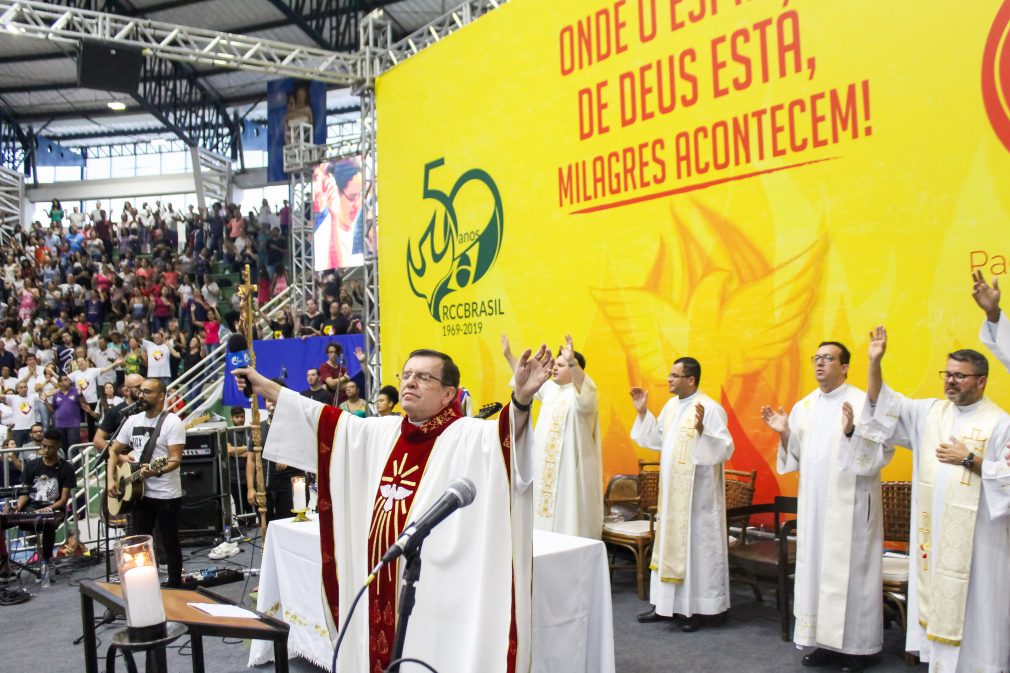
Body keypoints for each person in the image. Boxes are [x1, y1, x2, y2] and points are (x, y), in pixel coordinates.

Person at [232, 344, 550, 673]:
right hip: (381, 580)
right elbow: (324, 422)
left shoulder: (469, 436)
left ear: (448, 394)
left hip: (436, 594)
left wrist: (521, 400)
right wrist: (264, 385)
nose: (410, 382)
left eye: (424, 377)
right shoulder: (381, 432)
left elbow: (507, 439)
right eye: (407, 374)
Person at [859, 326, 1010, 673]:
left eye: (960, 376)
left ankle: (982, 666)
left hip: (981, 541)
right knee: (940, 598)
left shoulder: (1000, 423)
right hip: (936, 535)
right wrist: (874, 362)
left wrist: (969, 459)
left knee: (978, 607)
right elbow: (882, 406)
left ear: (982, 381)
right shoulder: (930, 414)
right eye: (948, 374)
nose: (951, 381)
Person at [760, 342, 888, 671]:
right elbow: (798, 458)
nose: (819, 363)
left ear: (845, 367)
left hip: (853, 506)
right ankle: (823, 642)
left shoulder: (863, 402)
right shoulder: (804, 406)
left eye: (828, 358)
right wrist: (786, 433)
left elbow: (879, 455)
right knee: (815, 568)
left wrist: (852, 433)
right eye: (816, 358)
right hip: (816, 506)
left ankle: (858, 648)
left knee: (852, 573)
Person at [630, 356, 734, 632]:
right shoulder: (671, 406)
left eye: (675, 375)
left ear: (691, 379)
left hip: (698, 499)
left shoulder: (710, 408)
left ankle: (699, 609)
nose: (669, 379)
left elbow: (724, 448)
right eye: (670, 374)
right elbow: (656, 440)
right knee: (669, 547)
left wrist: (702, 432)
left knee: (696, 550)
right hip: (673, 497)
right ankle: (666, 606)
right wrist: (643, 413)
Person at [503, 334, 602, 539]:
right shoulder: (551, 390)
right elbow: (526, 379)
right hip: (544, 470)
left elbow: (585, 397)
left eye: (561, 365)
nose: (555, 368)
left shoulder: (583, 394)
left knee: (568, 520)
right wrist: (508, 356)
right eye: (555, 364)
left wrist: (573, 361)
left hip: (569, 472)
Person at [106, 378, 186, 587]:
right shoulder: (132, 421)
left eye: (147, 392)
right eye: (140, 391)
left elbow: (175, 460)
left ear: (161, 396)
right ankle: (143, 583)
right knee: (139, 541)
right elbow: (113, 450)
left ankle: (175, 584)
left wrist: (153, 471)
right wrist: (111, 480)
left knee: (169, 542)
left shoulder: (172, 422)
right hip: (139, 494)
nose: (141, 395)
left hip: (166, 493)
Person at [0, 429, 75, 582]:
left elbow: (63, 499)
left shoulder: (66, 468)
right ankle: (4, 563)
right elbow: (25, 493)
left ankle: (45, 562)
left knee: (48, 523)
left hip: (54, 509)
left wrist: (47, 509)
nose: (46, 450)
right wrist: (17, 508)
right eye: (44, 446)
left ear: (58, 446)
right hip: (31, 507)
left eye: (50, 447)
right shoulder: (32, 465)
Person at [42, 374, 90, 451]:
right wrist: (45, 401)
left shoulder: (76, 391)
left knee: (73, 449)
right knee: (62, 449)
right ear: (60, 383)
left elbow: (85, 405)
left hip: (73, 425)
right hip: (59, 425)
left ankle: (75, 463)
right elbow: (52, 410)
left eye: (68, 379)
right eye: (65, 379)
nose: (68, 381)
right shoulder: (56, 395)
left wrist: (80, 394)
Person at [4, 380, 42, 447]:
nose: (24, 389)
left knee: (31, 450)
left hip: (31, 429)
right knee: (16, 450)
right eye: (21, 387)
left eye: (25, 387)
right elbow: (1, 396)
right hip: (17, 429)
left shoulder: (33, 396)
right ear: (17, 390)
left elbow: (47, 394)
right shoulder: (13, 398)